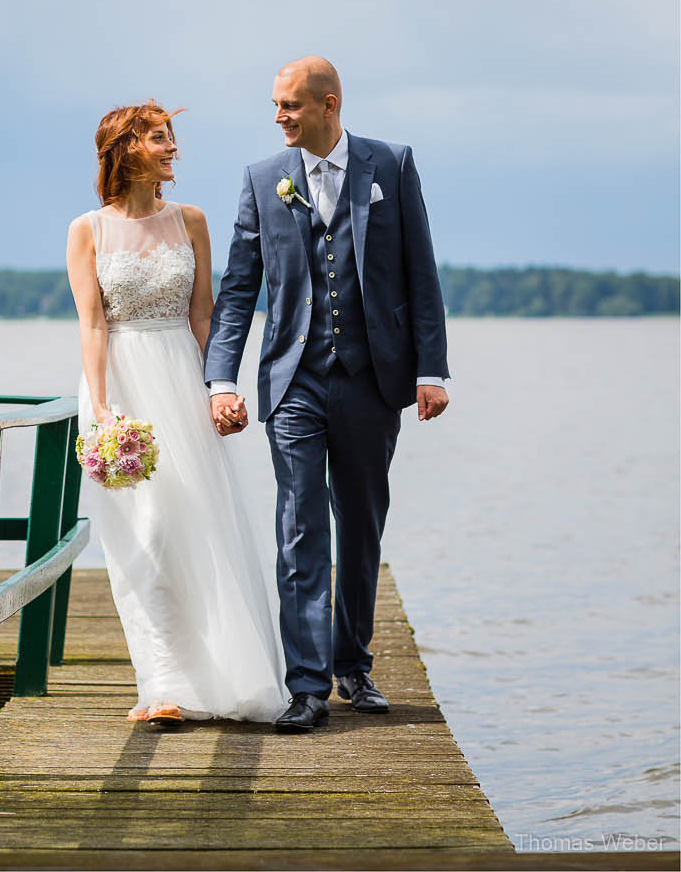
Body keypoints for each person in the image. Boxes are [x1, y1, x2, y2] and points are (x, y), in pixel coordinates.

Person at [205, 56, 450, 734]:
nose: (278, 116)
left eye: (289, 105)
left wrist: (433, 369)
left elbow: (420, 273)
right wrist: (220, 377)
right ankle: (307, 685)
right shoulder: (263, 180)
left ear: (328, 105)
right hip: (294, 379)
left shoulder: (391, 166)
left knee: (362, 524)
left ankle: (354, 665)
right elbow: (238, 289)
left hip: (374, 378)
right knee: (301, 525)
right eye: (276, 105)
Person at [66, 102, 289, 727]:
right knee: (146, 532)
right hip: (121, 387)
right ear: (126, 147)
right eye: (160, 139)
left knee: (197, 524)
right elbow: (92, 323)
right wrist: (102, 407)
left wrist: (222, 385)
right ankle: (161, 683)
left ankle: (226, 676)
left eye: (171, 138)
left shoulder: (190, 221)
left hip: (183, 383)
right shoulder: (87, 229)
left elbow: (204, 316)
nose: (173, 150)